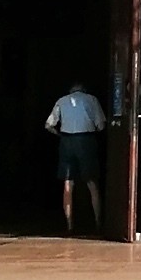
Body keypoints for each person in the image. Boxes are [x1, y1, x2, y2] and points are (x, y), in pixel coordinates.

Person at [46, 79, 108, 235]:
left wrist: (60, 135)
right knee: (92, 182)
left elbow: (48, 125)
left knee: (68, 185)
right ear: (83, 89)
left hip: (67, 141)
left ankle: (69, 225)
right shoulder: (91, 99)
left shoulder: (61, 101)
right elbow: (101, 124)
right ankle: (98, 222)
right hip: (86, 140)